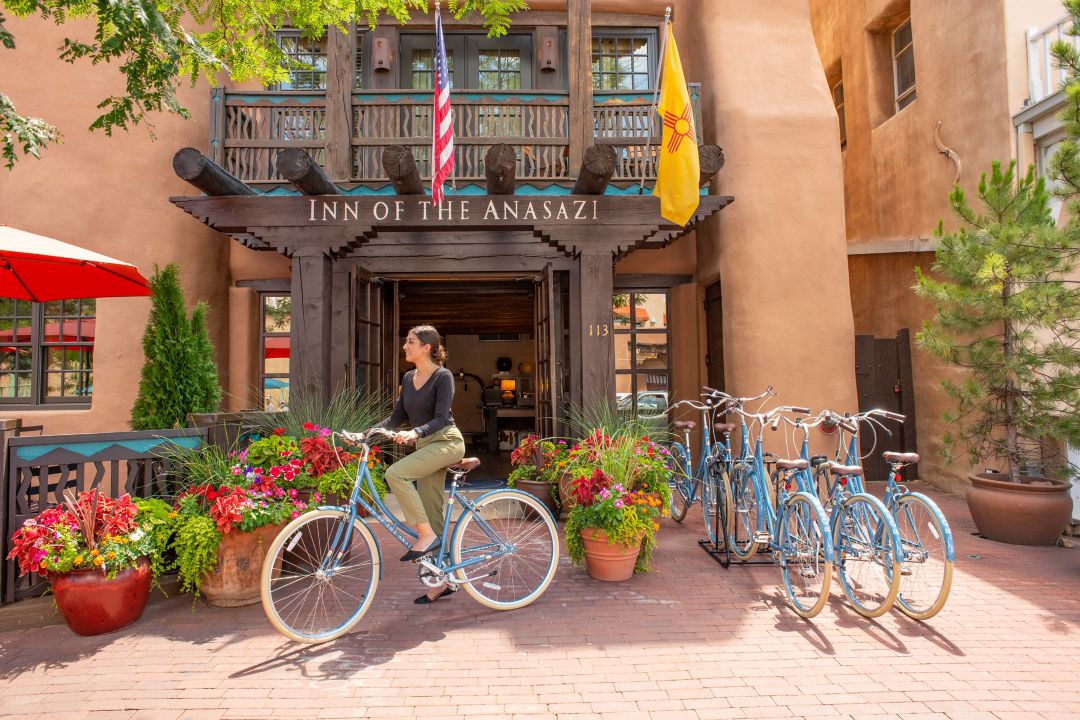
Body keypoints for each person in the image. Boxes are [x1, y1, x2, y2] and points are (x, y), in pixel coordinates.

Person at [380, 325, 466, 604]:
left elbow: (441, 418)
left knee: (396, 473)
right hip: (426, 446)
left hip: (446, 442)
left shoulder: (443, 376)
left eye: (410, 342)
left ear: (427, 347)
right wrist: (366, 433)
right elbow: (395, 418)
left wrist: (415, 432)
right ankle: (443, 581)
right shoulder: (408, 377)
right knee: (432, 510)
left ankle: (425, 535)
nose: (405, 346)